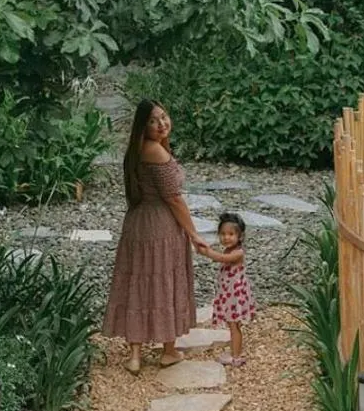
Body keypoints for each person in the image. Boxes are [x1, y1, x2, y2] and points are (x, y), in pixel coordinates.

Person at [103, 99, 210, 375]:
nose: (162, 123)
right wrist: (193, 233)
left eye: (164, 116)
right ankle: (168, 350)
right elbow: (174, 199)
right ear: (143, 126)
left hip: (138, 222)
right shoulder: (157, 153)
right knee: (164, 280)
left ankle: (135, 355)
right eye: (153, 120)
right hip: (161, 224)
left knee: (138, 281)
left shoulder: (136, 150)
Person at [200, 212, 255, 367]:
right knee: (233, 324)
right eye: (223, 234)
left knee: (234, 325)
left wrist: (207, 252)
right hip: (230, 294)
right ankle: (234, 352)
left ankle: (236, 356)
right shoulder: (228, 250)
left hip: (235, 296)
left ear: (240, 236)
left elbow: (223, 259)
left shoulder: (238, 253)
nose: (226, 237)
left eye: (231, 234)